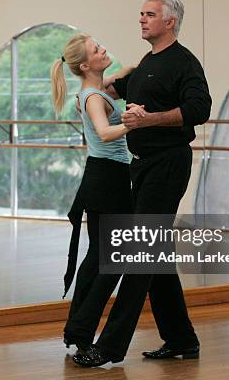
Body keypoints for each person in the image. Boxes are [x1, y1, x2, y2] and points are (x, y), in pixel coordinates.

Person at [73, 0, 210, 367]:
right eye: (141, 14)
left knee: (139, 250)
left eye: (150, 14)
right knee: (157, 256)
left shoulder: (184, 63)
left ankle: (111, 347)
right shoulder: (147, 64)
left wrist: (151, 120)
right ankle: (182, 338)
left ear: (170, 22)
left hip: (168, 163)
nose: (142, 20)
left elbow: (201, 109)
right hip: (143, 165)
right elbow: (109, 91)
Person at [50, 33, 139, 361]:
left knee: (99, 256)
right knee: (115, 257)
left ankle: (78, 331)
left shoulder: (95, 88)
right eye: (97, 50)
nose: (105, 50)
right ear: (86, 64)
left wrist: (140, 65)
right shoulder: (92, 96)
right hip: (109, 178)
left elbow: (120, 74)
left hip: (101, 177)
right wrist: (133, 121)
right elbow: (104, 131)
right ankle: (82, 327)